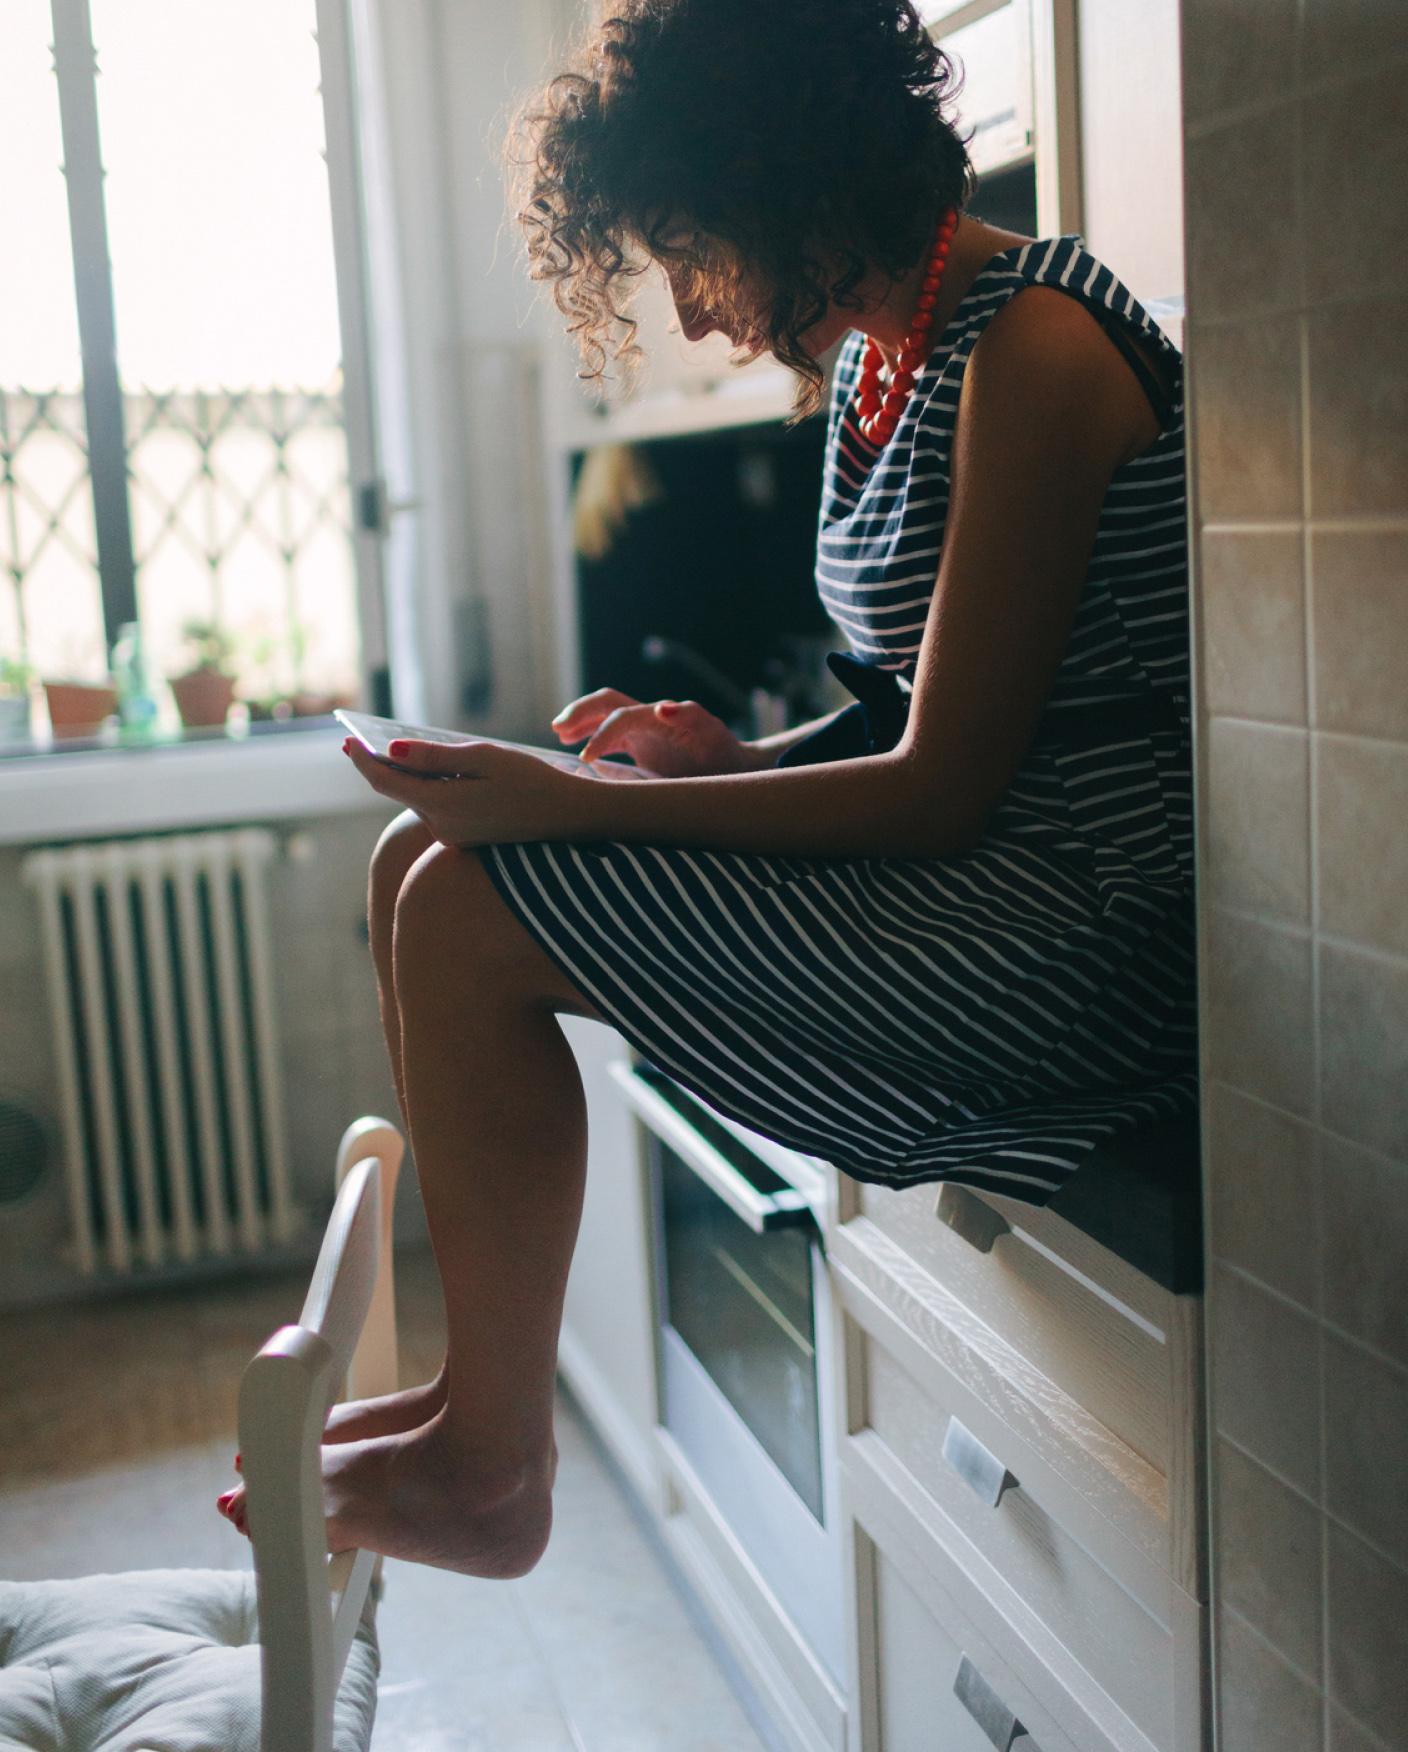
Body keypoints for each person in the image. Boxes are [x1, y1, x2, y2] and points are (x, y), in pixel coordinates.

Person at [218, 0, 1195, 1578]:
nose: (687, 307)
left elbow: (947, 789)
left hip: (1092, 937)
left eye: (692, 248)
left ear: (785, 176)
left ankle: (491, 1462)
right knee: (424, 865)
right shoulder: (893, 359)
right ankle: (483, 1405)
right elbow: (912, 723)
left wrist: (578, 801)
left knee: (466, 896)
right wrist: (734, 761)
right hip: (1000, 883)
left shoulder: (1036, 346)